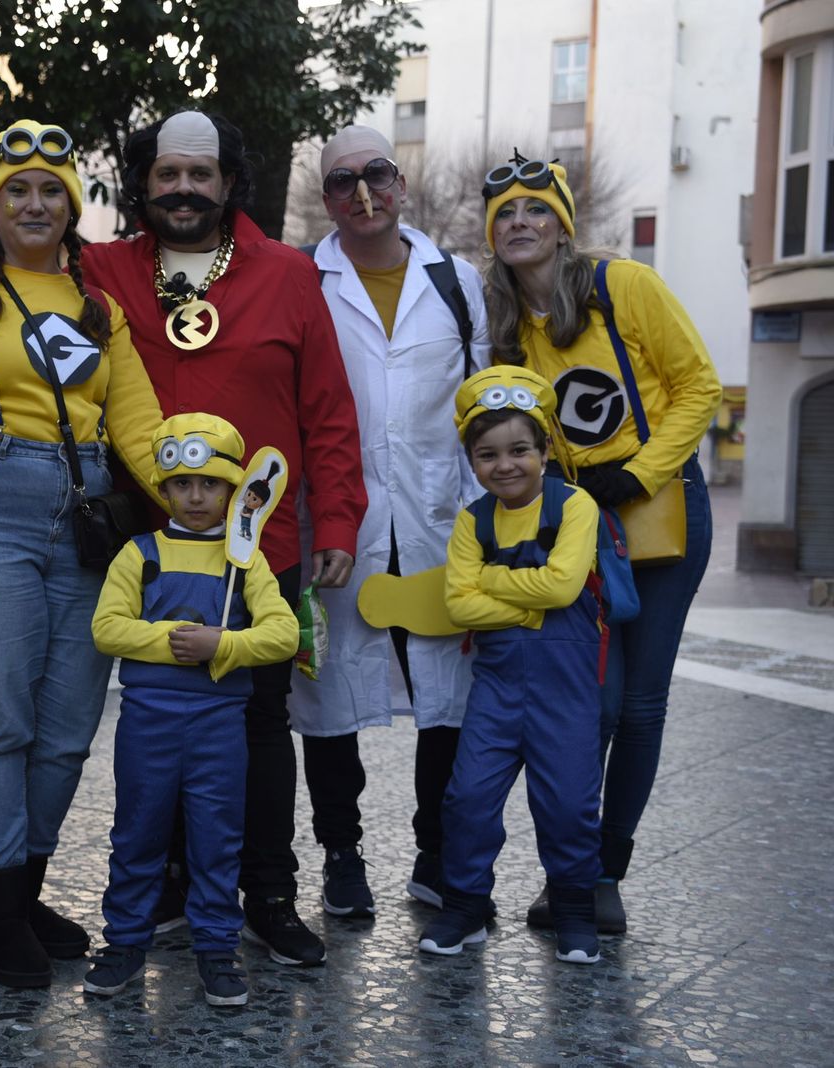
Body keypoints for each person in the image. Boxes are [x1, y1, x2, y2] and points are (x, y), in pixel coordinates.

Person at [0, 110, 366, 968]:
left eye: (199, 176)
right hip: (139, 541)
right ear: (143, 184)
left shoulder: (287, 275)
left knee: (257, 718)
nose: (183, 190)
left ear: (228, 183)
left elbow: (327, 411)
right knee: (155, 716)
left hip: (258, 537)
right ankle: (168, 887)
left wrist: (342, 519)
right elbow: (10, 259)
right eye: (167, 175)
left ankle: (270, 894)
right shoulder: (94, 269)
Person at [0, 118, 163, 988]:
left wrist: (224, 506)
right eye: (18, 190)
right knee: (0, 722)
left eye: (52, 190)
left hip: (83, 515)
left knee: (65, 732)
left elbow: (140, 427)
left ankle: (24, 894)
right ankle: (0, 914)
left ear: (71, 206)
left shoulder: (99, 307)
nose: (36, 203)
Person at [479, 156, 719, 933]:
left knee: (641, 705)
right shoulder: (510, 331)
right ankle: (571, 873)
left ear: (562, 225)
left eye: (535, 210)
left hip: (663, 517)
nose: (520, 223)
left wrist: (641, 472)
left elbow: (699, 386)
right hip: (577, 536)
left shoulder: (626, 288)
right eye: (505, 214)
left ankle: (604, 875)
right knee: (591, 708)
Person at [286, 124, 492, 918]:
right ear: (326, 199)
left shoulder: (456, 281)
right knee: (329, 693)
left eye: (377, 173)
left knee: (447, 694)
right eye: (343, 181)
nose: (363, 192)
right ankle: (343, 854)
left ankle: (436, 850)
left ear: (402, 183)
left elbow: (479, 399)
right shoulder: (304, 277)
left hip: (442, 518)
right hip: (338, 521)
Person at [87, 415, 300, 1007]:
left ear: (234, 490)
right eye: (182, 484)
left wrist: (224, 646)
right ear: (165, 490)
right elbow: (106, 628)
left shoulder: (245, 562)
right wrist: (177, 641)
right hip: (147, 724)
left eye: (210, 484)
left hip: (219, 727)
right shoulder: (140, 553)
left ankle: (215, 947)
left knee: (217, 839)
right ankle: (125, 941)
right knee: (137, 833)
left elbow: (283, 635)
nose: (197, 496)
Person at [420, 367, 604, 965]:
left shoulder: (576, 505)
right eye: (488, 455)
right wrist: (527, 605)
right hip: (496, 691)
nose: (506, 465)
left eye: (520, 450)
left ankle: (575, 911)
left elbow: (563, 585)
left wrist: (493, 585)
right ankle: (465, 906)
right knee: (467, 799)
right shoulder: (473, 520)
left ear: (546, 449)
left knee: (570, 804)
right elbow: (457, 602)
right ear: (472, 462)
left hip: (567, 690)